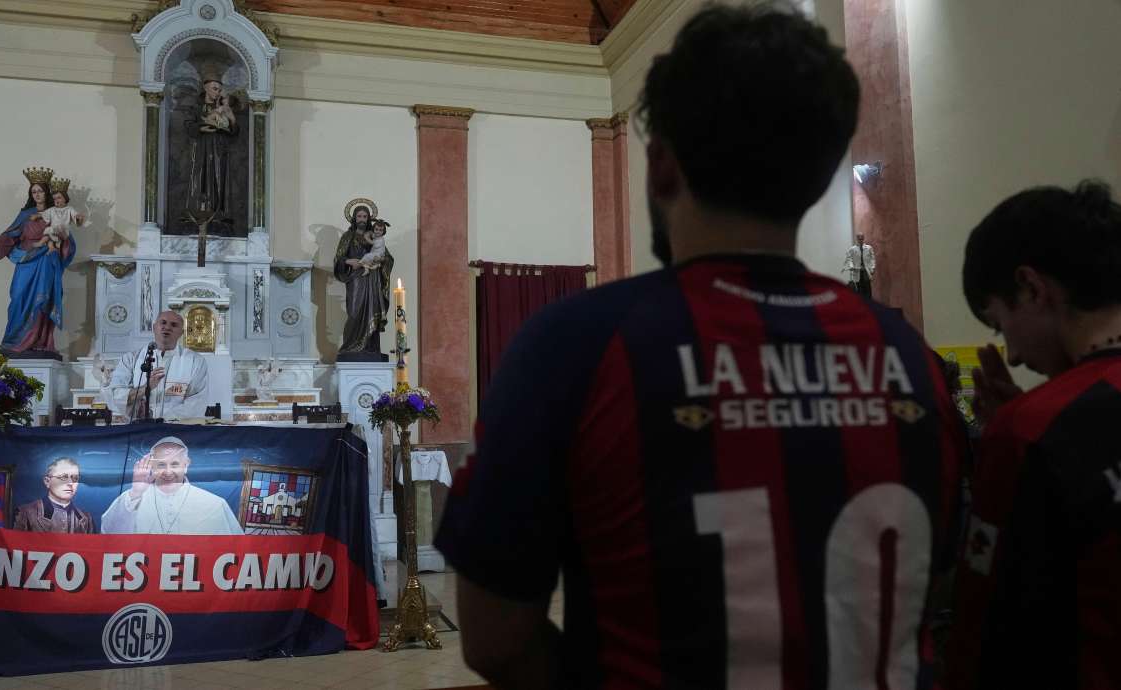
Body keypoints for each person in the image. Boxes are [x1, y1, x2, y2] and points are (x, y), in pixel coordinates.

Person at [434, 4, 965, 689]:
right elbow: (934, 587)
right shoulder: (909, 354)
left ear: (661, 166)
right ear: (820, 171)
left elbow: (495, 639)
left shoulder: (574, 347)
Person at [946, 180, 1121, 690]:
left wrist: (1012, 437)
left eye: (1000, 324)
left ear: (1030, 287)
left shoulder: (1030, 431)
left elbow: (983, 638)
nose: (1014, 356)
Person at [0, 168, 75, 357]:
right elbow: (10, 235)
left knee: (42, 300)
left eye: (40, 191)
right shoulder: (25, 215)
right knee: (18, 297)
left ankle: (39, 341)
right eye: (33, 191)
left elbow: (68, 242)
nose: (37, 195)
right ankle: (13, 341)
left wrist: (62, 237)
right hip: (25, 260)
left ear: (46, 193)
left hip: (46, 262)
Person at [101, 436, 242, 535]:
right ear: (152, 465)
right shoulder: (131, 499)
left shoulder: (213, 504)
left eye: (174, 464)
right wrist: (136, 493)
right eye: (161, 464)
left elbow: (234, 547)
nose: (168, 472)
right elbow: (109, 535)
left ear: (186, 465)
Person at [105, 310, 210, 420]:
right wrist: (145, 388)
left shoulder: (195, 362)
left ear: (181, 332)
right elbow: (115, 396)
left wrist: (159, 420)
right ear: (154, 327)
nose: (167, 327)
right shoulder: (131, 359)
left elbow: (196, 404)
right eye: (163, 322)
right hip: (138, 426)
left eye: (174, 325)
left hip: (176, 428)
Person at [334, 205, 394, 358]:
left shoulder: (375, 237)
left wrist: (382, 260)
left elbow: (387, 257)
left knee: (372, 311)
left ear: (369, 219)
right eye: (359, 216)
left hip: (372, 279)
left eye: (365, 217)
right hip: (356, 279)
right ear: (354, 218)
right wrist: (349, 261)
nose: (362, 219)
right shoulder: (348, 236)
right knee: (354, 312)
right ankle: (350, 347)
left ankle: (370, 348)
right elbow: (338, 258)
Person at [184, 76, 239, 224]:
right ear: (205, 88)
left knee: (219, 179)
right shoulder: (196, 108)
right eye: (215, 89)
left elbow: (234, 131)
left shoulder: (223, 108)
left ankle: (219, 213)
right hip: (202, 148)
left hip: (220, 150)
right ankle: (199, 213)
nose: (217, 92)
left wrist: (232, 120)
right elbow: (188, 125)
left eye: (219, 90)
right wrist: (201, 128)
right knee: (200, 178)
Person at [12, 457, 95, 533]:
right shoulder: (25, 513)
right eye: (63, 477)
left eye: (75, 478)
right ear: (47, 481)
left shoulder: (86, 519)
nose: (70, 483)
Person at [40, 182, 84, 254]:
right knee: (49, 235)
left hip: (64, 232)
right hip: (53, 231)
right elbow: (43, 214)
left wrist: (79, 218)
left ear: (65, 198)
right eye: (54, 199)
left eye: (59, 198)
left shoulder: (69, 209)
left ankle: (57, 247)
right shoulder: (52, 209)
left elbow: (77, 221)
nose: (56, 200)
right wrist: (37, 216)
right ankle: (51, 247)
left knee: (60, 231)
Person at [842, 232, 876, 297]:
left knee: (868, 289)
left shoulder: (869, 248)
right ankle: (861, 301)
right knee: (859, 289)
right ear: (857, 239)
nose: (860, 240)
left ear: (864, 238)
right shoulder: (852, 249)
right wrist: (851, 266)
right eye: (859, 239)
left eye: (862, 238)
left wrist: (873, 267)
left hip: (866, 271)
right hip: (857, 270)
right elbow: (849, 258)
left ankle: (868, 302)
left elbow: (872, 258)